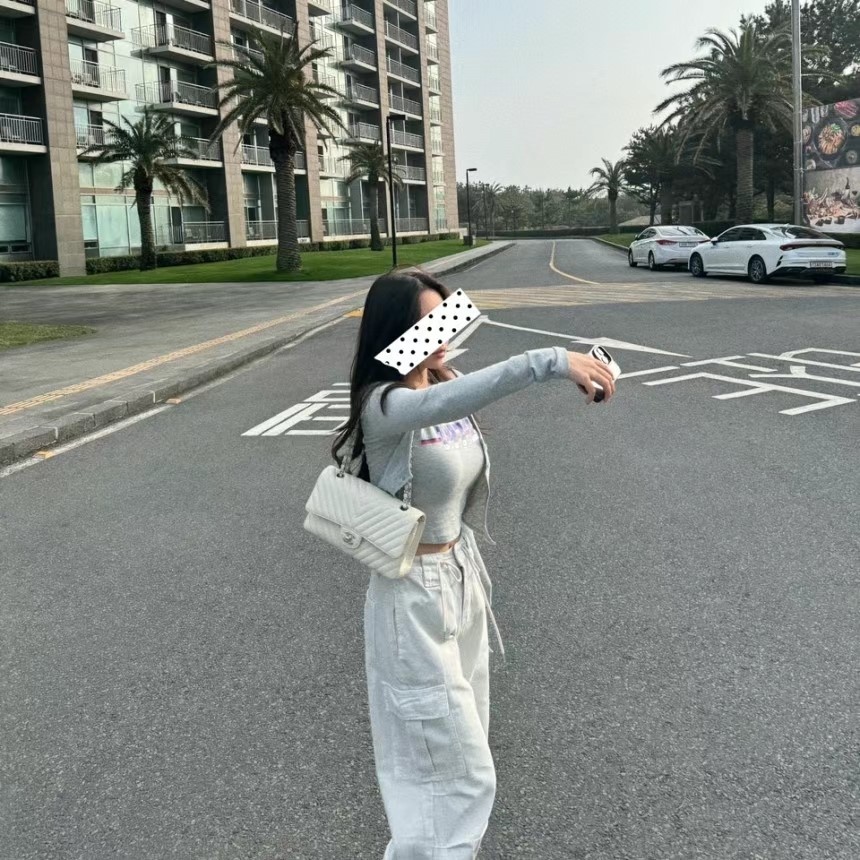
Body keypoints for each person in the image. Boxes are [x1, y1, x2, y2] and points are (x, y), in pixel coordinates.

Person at [332, 270, 616, 859]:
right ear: (395, 332)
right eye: (427, 323)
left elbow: (466, 392)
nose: (443, 333)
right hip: (411, 596)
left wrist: (575, 374)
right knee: (455, 772)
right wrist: (552, 361)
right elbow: (465, 393)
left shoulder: (446, 381)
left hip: (461, 579)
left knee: (462, 753)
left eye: (446, 319)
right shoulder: (384, 405)